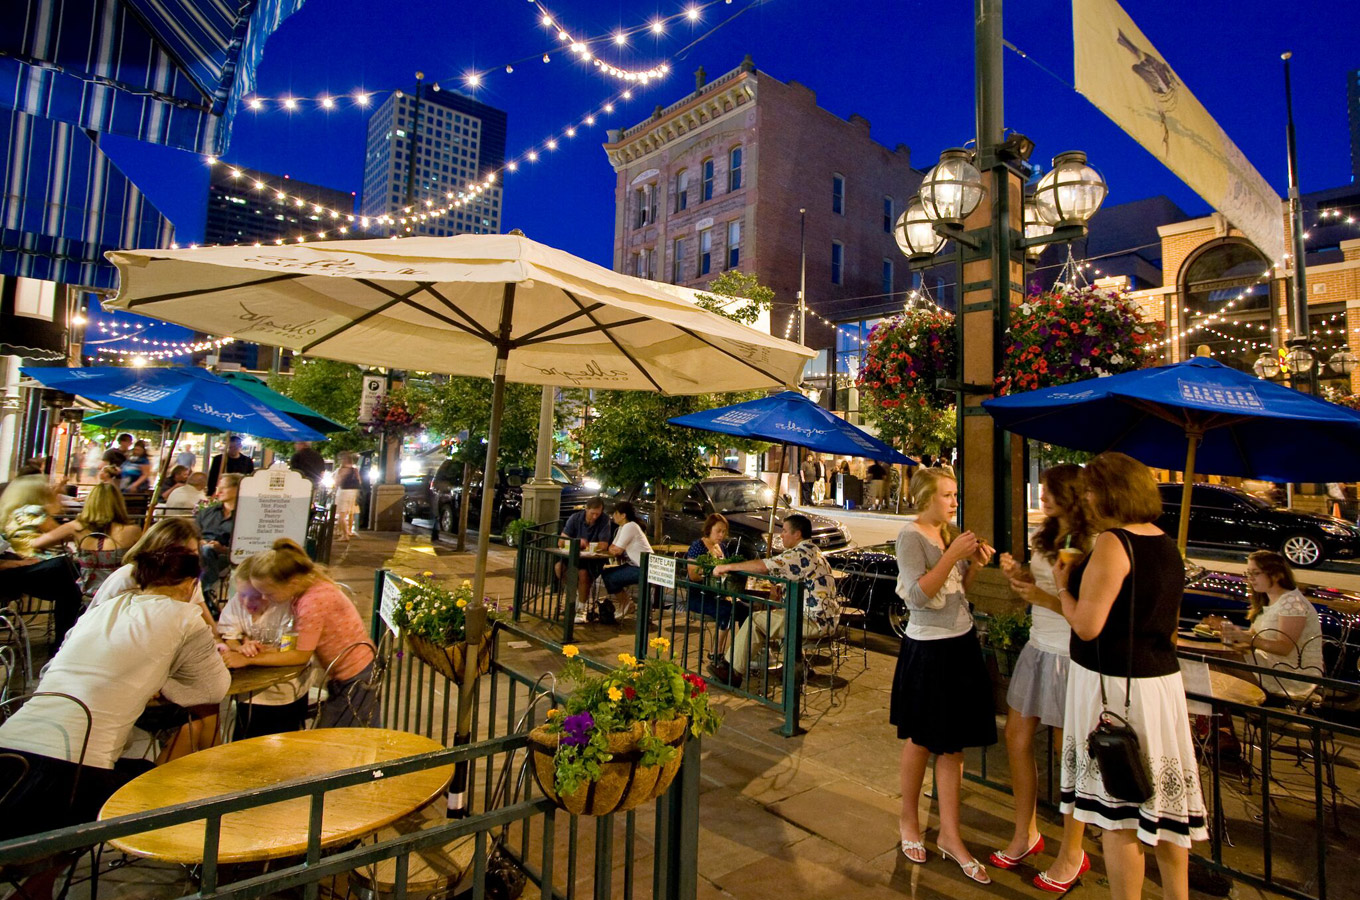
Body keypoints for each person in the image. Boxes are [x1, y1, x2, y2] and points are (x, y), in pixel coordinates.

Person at [1053, 452, 1206, 900]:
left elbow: (1086, 624)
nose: (1088, 499)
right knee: (1165, 810)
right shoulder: (1164, 542)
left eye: (1091, 490)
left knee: (1118, 812)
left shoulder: (1113, 543)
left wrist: (1064, 585)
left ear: (1110, 493)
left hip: (1115, 687)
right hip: (1160, 683)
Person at [0, 544, 230, 839]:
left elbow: (49, 671)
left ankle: (39, 885)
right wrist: (159, 680)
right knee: (189, 729)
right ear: (190, 584)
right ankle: (161, 827)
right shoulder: (185, 617)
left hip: (9, 759)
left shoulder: (107, 607)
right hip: (72, 780)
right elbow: (212, 689)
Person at [890, 468, 996, 883]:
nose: (954, 502)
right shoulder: (910, 536)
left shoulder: (948, 535)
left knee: (953, 747)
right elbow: (917, 596)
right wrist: (953, 557)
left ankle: (951, 835)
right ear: (926, 498)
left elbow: (958, 592)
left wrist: (973, 566)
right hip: (928, 649)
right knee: (921, 740)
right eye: (948, 496)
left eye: (955, 495)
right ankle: (908, 822)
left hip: (960, 643)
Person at [995, 465, 1091, 891]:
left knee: (1067, 752)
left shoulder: (1090, 543)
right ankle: (1026, 831)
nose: (1043, 497)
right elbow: (1042, 586)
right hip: (1037, 648)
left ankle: (1074, 849)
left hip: (1071, 654)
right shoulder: (1047, 535)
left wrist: (1043, 596)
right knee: (1016, 738)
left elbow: (1084, 606)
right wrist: (1020, 576)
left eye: (1051, 491)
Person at [221, 539, 379, 727]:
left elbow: (301, 656)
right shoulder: (311, 585)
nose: (265, 598)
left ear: (291, 582)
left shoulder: (311, 603)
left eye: (269, 593)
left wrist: (249, 660)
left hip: (355, 675)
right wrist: (267, 651)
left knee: (342, 740)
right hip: (353, 673)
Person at [708, 514, 840, 689]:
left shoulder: (800, 554)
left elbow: (764, 566)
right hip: (824, 617)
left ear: (797, 534)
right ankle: (797, 668)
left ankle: (732, 671)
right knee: (775, 619)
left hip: (814, 621)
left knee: (757, 620)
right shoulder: (813, 551)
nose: (781, 535)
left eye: (784, 531)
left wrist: (728, 567)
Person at [216, 556, 310, 737]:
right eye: (242, 595)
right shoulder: (238, 603)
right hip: (249, 694)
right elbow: (229, 634)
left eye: (256, 596)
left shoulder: (286, 606)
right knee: (245, 741)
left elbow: (292, 648)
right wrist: (240, 646)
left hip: (286, 692)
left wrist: (253, 653)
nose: (246, 603)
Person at [1226, 550, 1323, 701]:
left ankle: (1238, 712)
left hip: (1291, 675)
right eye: (1248, 573)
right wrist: (1231, 635)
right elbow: (1253, 637)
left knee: (1218, 664)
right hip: (1268, 664)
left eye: (1256, 573)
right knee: (1214, 661)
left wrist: (1244, 638)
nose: (1250, 578)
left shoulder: (1291, 602)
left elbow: (1284, 647)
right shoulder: (1267, 600)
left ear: (1277, 575)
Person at [91, 517, 215, 629]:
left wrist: (219, 640)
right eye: (178, 553)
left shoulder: (188, 576)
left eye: (191, 552)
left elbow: (200, 608)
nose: (186, 559)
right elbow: (96, 621)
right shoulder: (126, 577)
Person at [686, 513, 742, 665]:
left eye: (724, 531)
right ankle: (716, 652)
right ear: (709, 529)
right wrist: (711, 571)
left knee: (745, 610)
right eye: (718, 531)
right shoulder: (698, 546)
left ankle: (743, 652)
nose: (721, 535)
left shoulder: (722, 547)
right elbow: (693, 574)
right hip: (699, 595)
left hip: (719, 594)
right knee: (727, 610)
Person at [557, 498, 613, 623]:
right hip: (573, 556)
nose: (594, 516)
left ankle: (581, 608)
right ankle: (576, 595)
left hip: (592, 559)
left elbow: (604, 544)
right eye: (592, 513)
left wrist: (588, 545)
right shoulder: (575, 518)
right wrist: (576, 543)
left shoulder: (604, 520)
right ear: (586, 509)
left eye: (597, 514)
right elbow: (561, 541)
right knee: (559, 568)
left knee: (583, 574)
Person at [601, 501, 652, 620]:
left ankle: (626, 604)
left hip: (643, 567)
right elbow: (612, 547)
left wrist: (615, 549)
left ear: (623, 515)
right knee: (607, 574)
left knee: (610, 577)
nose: (613, 516)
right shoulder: (621, 527)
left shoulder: (630, 526)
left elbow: (617, 550)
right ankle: (626, 603)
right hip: (634, 565)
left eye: (615, 513)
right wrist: (614, 549)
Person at [196, 473, 242, 594]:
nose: (219, 491)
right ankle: (207, 592)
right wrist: (201, 542)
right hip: (199, 553)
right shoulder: (206, 513)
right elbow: (193, 534)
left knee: (207, 552)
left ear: (238, 488)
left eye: (224, 487)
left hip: (227, 557)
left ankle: (206, 591)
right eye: (218, 487)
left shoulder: (244, 515)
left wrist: (222, 549)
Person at [334, 452, 362, 539]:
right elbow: (359, 481)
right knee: (350, 513)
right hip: (354, 492)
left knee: (342, 515)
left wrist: (335, 487)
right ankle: (348, 531)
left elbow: (337, 482)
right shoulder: (355, 469)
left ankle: (344, 534)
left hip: (344, 492)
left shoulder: (342, 470)